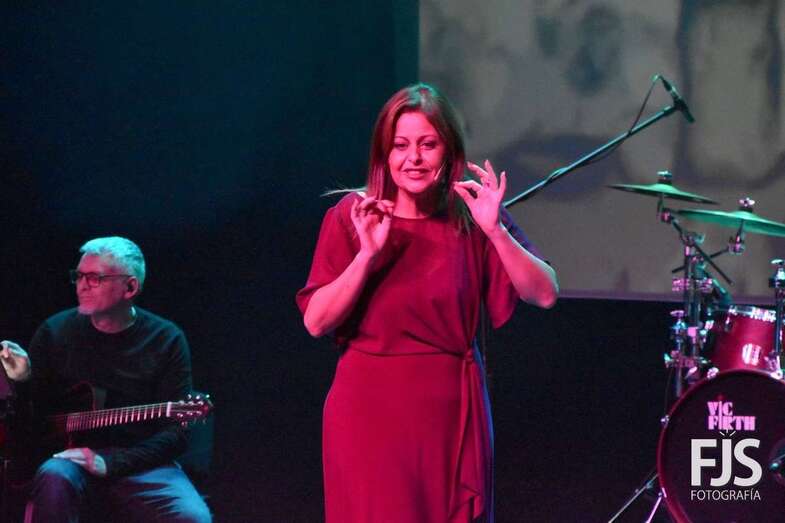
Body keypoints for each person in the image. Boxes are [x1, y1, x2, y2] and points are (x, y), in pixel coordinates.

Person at [296, 83, 558, 522]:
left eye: (427, 144)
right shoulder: (352, 215)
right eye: (400, 146)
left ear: (448, 150)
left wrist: (495, 230)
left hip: (449, 412)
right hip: (368, 413)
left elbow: (545, 293)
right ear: (384, 153)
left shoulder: (472, 215)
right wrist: (367, 256)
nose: (413, 158)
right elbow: (316, 322)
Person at [0, 236, 211, 523]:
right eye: (78, 276)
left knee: (192, 516)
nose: (82, 284)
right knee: (53, 476)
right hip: (68, 459)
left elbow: (176, 434)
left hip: (142, 462)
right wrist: (23, 381)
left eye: (95, 277)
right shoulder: (55, 332)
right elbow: (30, 425)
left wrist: (110, 463)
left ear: (130, 287)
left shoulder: (166, 338)